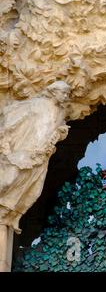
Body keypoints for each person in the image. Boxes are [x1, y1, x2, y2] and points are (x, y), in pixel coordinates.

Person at [0, 81, 70, 232]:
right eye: (63, 93)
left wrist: (60, 133)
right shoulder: (36, 104)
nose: (65, 96)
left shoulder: (60, 112)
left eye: (67, 94)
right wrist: (5, 139)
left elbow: (53, 132)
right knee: (9, 181)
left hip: (41, 157)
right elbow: (14, 119)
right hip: (24, 152)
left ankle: (12, 216)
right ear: (54, 91)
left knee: (34, 190)